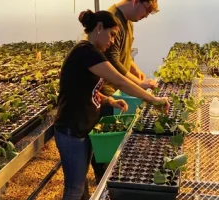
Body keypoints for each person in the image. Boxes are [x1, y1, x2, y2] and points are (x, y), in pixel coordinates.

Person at [53, 9, 169, 200]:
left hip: (82, 128)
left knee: (80, 185)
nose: (113, 41)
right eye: (112, 34)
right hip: (71, 131)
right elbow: (121, 82)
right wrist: (153, 100)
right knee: (74, 189)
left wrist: (108, 100)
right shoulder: (87, 52)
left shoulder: (89, 52)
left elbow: (84, 89)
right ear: (99, 28)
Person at [91, 0, 160, 184]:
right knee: (102, 140)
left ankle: (106, 175)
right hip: (104, 89)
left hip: (113, 88)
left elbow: (124, 55)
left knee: (112, 134)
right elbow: (112, 61)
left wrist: (136, 70)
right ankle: (102, 180)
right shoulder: (113, 19)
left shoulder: (128, 21)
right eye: (145, 12)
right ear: (137, 2)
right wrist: (139, 84)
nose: (145, 17)